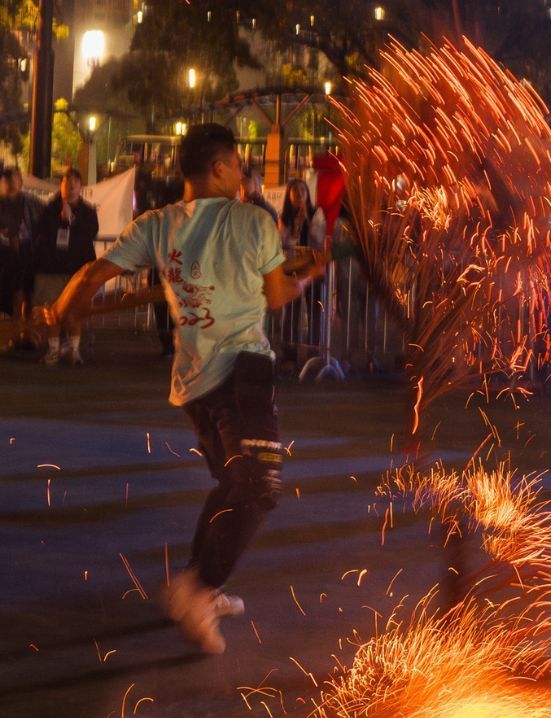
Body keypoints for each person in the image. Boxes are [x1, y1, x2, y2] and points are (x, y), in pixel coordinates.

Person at [43, 124, 326, 655]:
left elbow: (92, 273)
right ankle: (198, 589)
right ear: (218, 168)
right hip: (243, 368)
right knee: (258, 484)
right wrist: (306, 276)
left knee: (232, 483)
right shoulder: (252, 220)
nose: (244, 172)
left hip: (195, 380)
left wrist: (62, 307)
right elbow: (278, 294)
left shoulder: (157, 224)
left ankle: (200, 585)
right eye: (239, 163)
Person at [35, 168, 98, 366]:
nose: (70, 187)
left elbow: (91, 233)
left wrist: (72, 220)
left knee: (74, 311)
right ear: (60, 185)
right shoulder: (48, 209)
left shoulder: (88, 211)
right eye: (66, 183)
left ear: (80, 187)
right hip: (52, 268)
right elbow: (41, 234)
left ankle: (74, 351)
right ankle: (53, 351)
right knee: (52, 310)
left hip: (77, 270)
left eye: (74, 183)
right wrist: (60, 218)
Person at [278, 178, 327, 369]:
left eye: (302, 190)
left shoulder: (316, 214)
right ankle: (289, 354)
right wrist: (295, 227)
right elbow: (283, 241)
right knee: (291, 311)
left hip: (312, 270)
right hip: (292, 270)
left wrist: (308, 220)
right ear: (289, 194)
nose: (299, 194)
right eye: (295, 191)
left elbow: (318, 239)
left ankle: (313, 353)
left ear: (308, 194)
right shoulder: (285, 217)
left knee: (314, 310)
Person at [0, 167, 45, 345]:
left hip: (29, 253)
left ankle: (26, 332)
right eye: (7, 181)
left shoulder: (30, 201)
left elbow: (47, 215)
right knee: (14, 296)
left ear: (20, 181)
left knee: (29, 295)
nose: (11, 184)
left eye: (14, 180)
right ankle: (15, 333)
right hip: (8, 255)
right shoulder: (2, 203)